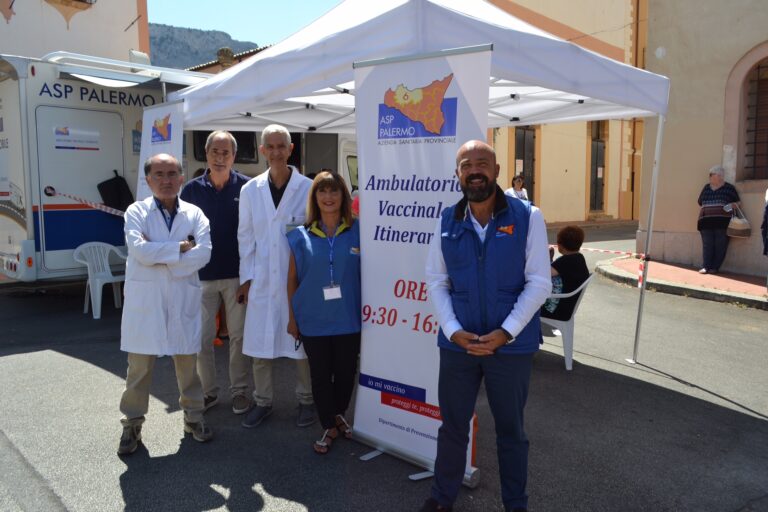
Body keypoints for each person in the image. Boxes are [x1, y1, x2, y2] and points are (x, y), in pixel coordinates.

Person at [422, 141, 551, 512]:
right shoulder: (446, 220)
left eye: (482, 163)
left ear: (496, 171)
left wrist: (505, 332)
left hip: (510, 347)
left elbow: (539, 282)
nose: (474, 170)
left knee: (511, 431)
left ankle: (516, 503)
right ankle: (442, 498)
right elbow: (436, 280)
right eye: (466, 165)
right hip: (458, 345)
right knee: (452, 427)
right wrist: (451, 330)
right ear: (457, 174)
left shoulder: (529, 216)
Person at [117, 154, 213, 456]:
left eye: (172, 173)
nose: (166, 179)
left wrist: (164, 259)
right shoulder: (135, 212)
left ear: (182, 177)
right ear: (148, 180)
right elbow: (139, 251)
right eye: (159, 174)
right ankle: (132, 424)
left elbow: (205, 253)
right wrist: (180, 249)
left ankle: (194, 418)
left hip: (182, 299)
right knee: (139, 370)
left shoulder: (195, 214)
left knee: (188, 368)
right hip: (146, 305)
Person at [238, 124, 316, 429]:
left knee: (300, 346)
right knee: (260, 345)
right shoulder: (250, 190)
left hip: (297, 281)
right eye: (269, 147)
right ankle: (263, 401)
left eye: (281, 146)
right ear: (262, 151)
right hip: (261, 280)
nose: (275, 152)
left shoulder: (308, 188)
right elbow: (245, 237)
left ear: (291, 148)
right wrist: (246, 278)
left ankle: (306, 401)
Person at [286, 171, 361, 454]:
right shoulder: (299, 235)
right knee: (320, 374)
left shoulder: (359, 230)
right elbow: (292, 280)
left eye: (334, 191)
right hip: (312, 319)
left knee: (345, 373)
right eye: (322, 192)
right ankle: (329, 424)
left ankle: (338, 414)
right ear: (314, 198)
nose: (328, 197)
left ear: (343, 196)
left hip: (348, 317)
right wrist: (292, 318)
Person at [180, 131, 252, 416]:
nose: (220, 158)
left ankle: (240, 392)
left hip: (237, 277)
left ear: (233, 156)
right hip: (202, 277)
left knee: (239, 338)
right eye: (215, 152)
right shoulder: (191, 190)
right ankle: (208, 392)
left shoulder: (247, 188)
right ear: (206, 154)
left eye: (226, 153)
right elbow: (181, 231)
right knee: (202, 340)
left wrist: (249, 276)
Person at [697, 165, 740, 274]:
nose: (710, 177)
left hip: (722, 223)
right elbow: (700, 201)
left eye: (712, 175)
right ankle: (705, 266)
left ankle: (715, 267)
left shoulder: (729, 188)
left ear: (719, 176)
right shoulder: (706, 187)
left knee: (720, 246)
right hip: (705, 222)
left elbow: (738, 203)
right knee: (707, 245)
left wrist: (730, 206)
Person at [541, 225, 590, 321]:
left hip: (557, 310)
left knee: (524, 305)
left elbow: (542, 274)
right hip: (567, 307)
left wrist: (544, 257)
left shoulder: (565, 261)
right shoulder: (579, 258)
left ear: (561, 245)